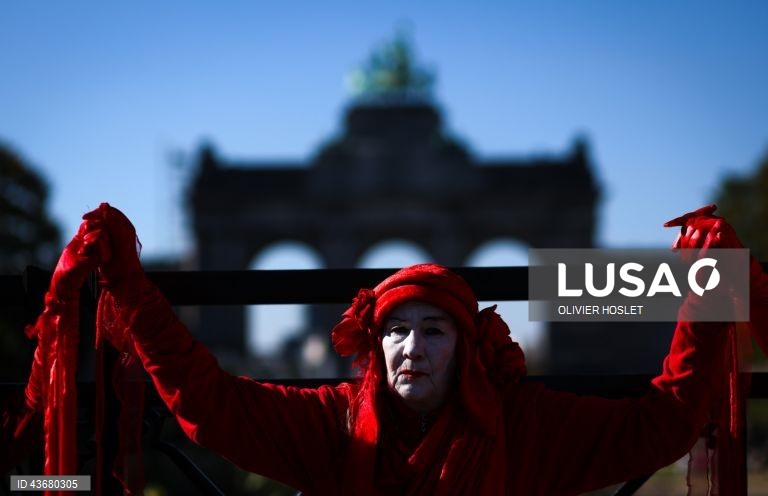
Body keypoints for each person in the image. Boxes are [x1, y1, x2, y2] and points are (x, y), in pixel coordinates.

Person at [6, 203, 768, 495]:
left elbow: (660, 426)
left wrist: (706, 290)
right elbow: (208, 402)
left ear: (467, 349)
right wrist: (133, 291)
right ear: (373, 347)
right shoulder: (332, 420)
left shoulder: (528, 423)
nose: (410, 347)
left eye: (433, 329)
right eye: (395, 330)